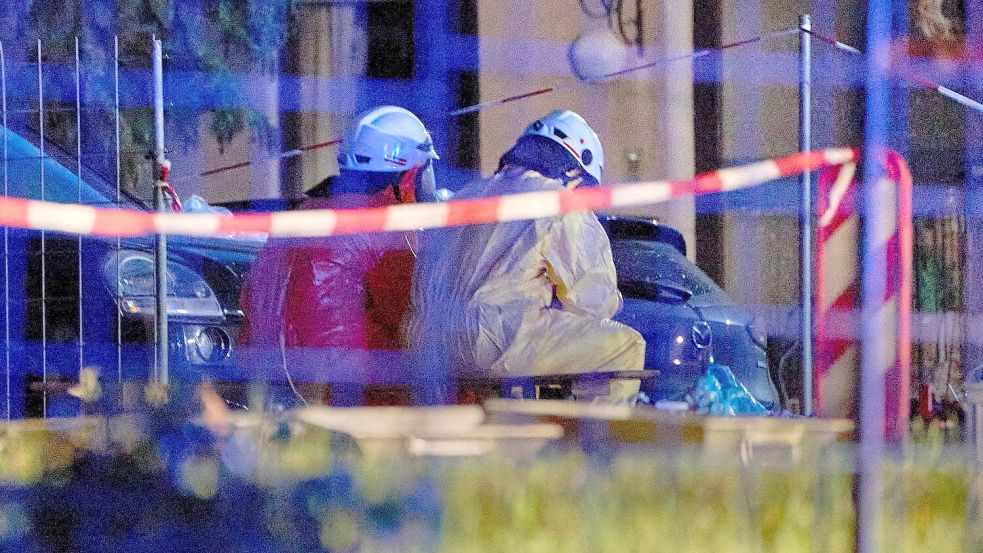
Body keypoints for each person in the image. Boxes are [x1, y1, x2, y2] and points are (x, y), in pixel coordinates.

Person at [409, 109, 644, 390]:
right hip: (493, 341)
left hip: (428, 343)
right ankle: (593, 434)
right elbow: (592, 301)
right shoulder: (558, 201)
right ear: (574, 170)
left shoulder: (464, 197)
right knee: (624, 346)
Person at [239, 106, 438, 400]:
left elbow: (250, 299)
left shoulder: (301, 215)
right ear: (410, 175)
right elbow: (410, 318)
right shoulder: (386, 226)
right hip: (349, 394)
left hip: (266, 385)